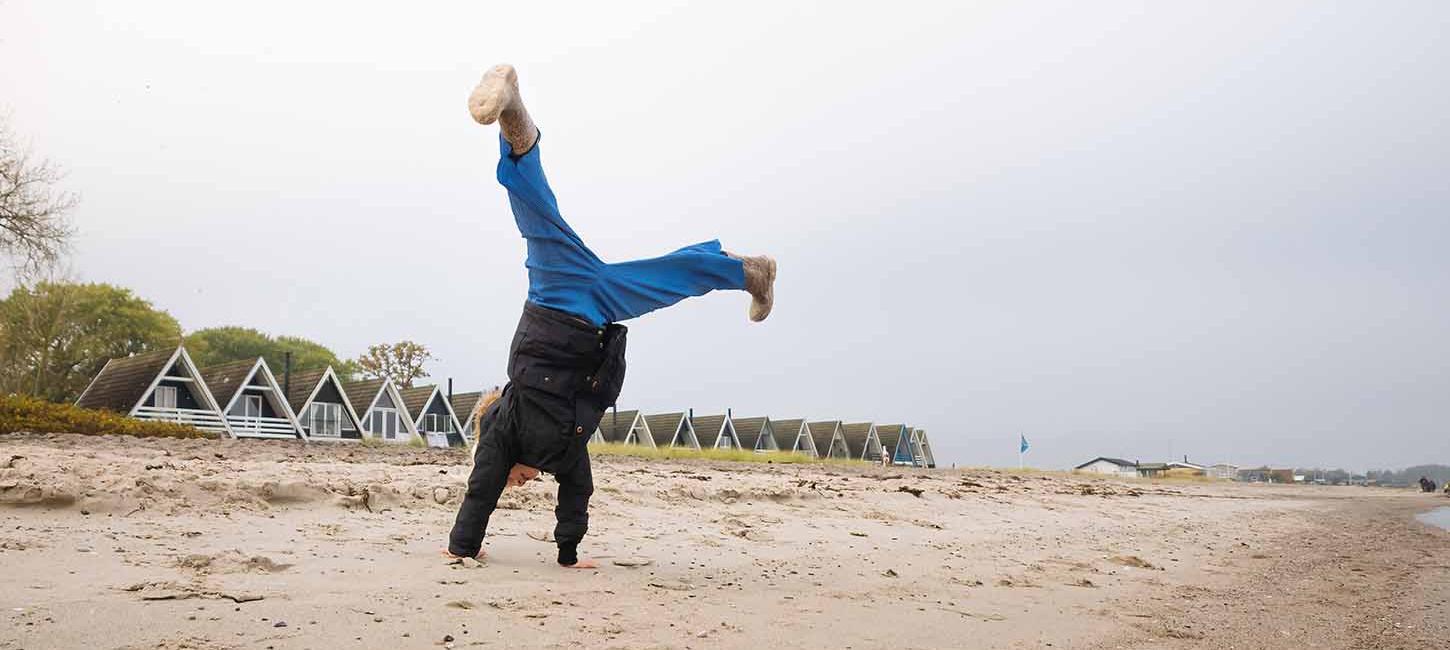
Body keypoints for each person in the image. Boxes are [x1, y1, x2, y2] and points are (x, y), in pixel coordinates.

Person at [446, 64, 778, 569]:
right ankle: (750, 272)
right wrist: (568, 556)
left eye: (513, 480)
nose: (516, 484)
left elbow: (482, 489)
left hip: (559, 303)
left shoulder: (503, 428)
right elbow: (576, 495)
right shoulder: (562, 454)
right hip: (588, 307)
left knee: (549, 215)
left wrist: (462, 548)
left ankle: (512, 108)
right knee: (651, 272)